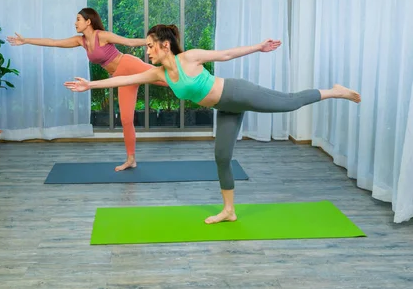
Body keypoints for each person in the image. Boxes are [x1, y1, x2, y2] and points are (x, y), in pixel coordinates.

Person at [64, 24, 361, 224]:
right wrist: (90, 84)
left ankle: (335, 91)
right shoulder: (159, 74)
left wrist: (259, 47)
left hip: (236, 92)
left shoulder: (189, 58)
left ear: (166, 45)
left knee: (288, 102)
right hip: (225, 107)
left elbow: (227, 54)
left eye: (152, 46)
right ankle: (229, 210)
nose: (148, 51)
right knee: (222, 157)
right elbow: (124, 78)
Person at [7, 8, 167, 171]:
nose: (75, 23)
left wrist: (154, 42)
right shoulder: (80, 41)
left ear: (88, 21)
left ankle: (189, 72)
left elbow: (129, 42)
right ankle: (131, 159)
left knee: (167, 80)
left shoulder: (102, 36)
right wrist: (26, 40)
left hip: (128, 64)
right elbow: (54, 42)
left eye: (78, 19)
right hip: (121, 78)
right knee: (126, 120)